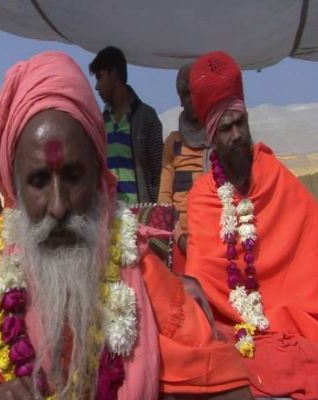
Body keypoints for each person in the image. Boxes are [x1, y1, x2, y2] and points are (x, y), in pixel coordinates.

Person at [0, 51, 252, 400]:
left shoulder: (135, 265)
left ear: (97, 175)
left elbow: (225, 381)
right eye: (37, 181)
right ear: (14, 187)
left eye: (74, 176)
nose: (60, 205)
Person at [184, 50, 318, 399]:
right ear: (212, 137)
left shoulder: (273, 174)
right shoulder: (202, 198)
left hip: (293, 311)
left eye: (240, 124)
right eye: (226, 129)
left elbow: (311, 237)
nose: (237, 136)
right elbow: (202, 278)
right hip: (232, 329)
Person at [89, 46, 163, 204]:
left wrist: (153, 212)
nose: (96, 87)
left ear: (114, 74)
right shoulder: (99, 123)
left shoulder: (147, 117)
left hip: (140, 217)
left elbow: (158, 173)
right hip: (108, 217)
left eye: (99, 77)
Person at [158, 64, 209, 273]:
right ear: (180, 98)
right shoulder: (173, 143)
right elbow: (164, 198)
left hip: (213, 240)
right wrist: (179, 236)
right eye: (186, 93)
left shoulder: (218, 140)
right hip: (181, 242)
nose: (191, 98)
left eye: (196, 92)